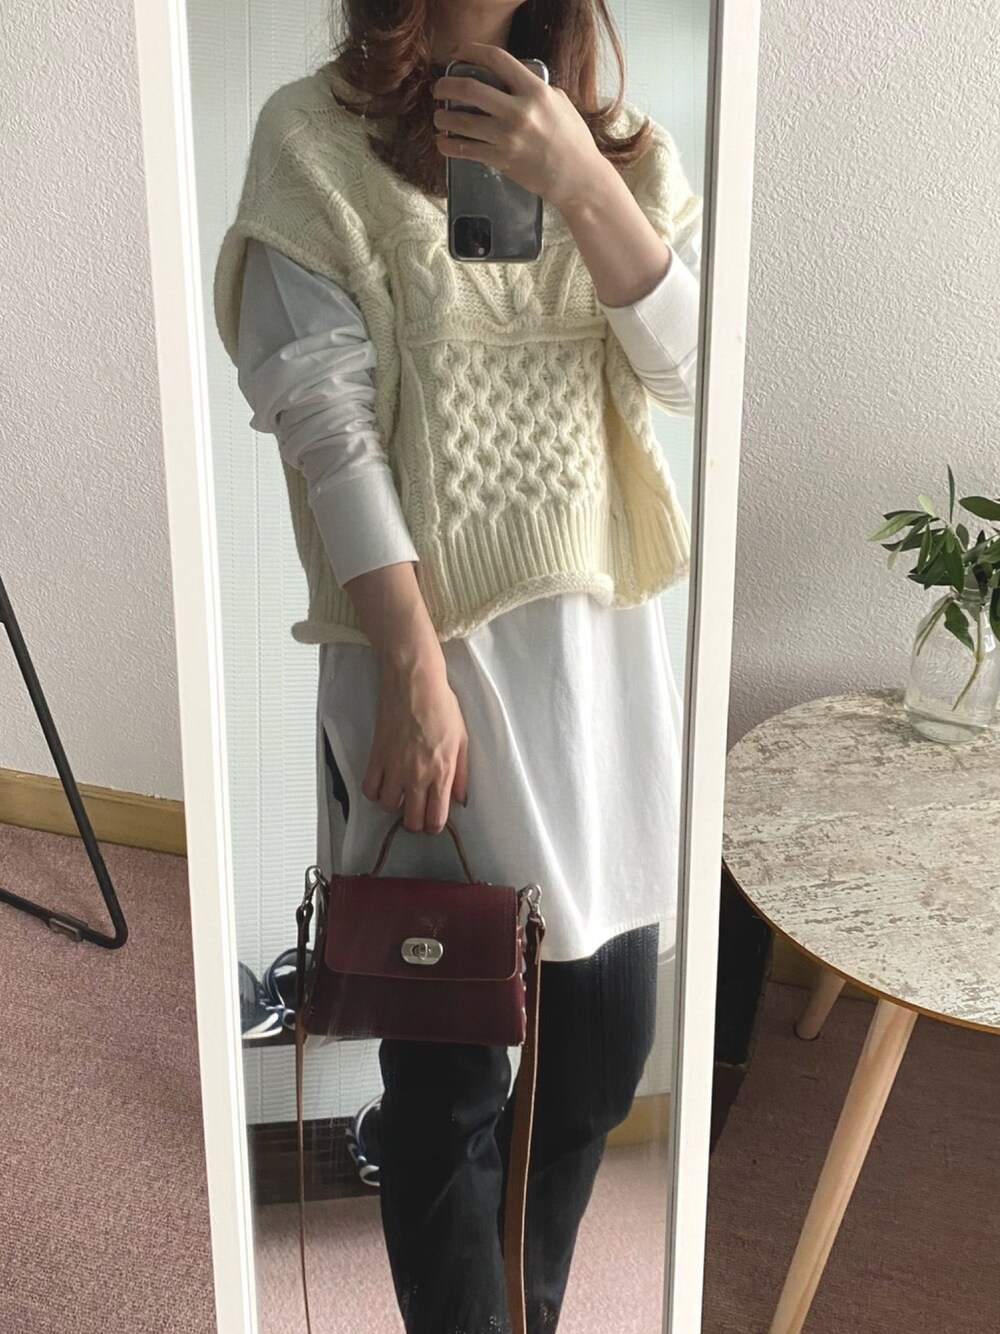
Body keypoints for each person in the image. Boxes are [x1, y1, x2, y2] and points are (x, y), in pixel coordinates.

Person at [214, 3, 702, 1330]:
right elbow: (324, 422)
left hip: (600, 668)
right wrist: (415, 676)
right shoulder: (311, 140)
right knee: (450, 1084)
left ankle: (522, 1308)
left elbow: (688, 370)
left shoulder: (623, 150)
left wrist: (580, 180)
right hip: (432, 668)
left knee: (600, 1060)